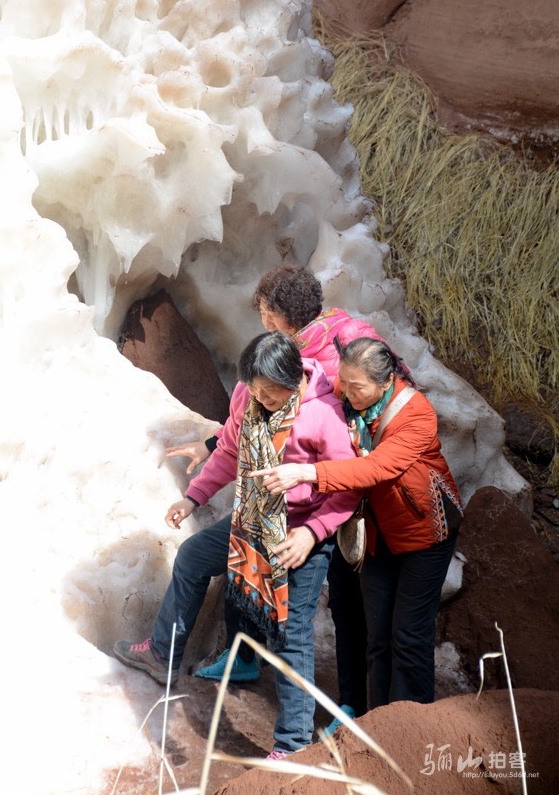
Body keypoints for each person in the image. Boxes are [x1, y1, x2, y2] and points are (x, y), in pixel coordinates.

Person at [113, 332, 359, 757]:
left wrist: (313, 533)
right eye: (254, 389)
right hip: (253, 519)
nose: (259, 399)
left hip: (301, 533)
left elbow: (349, 489)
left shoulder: (325, 416)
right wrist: (193, 498)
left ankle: (293, 742)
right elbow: (230, 451)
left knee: (291, 634)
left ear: (293, 380)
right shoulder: (249, 395)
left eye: (268, 392)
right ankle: (162, 654)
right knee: (192, 557)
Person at [166, 264, 384, 727]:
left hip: (317, 514)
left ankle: (321, 722)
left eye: (269, 313)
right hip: (260, 514)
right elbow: (235, 441)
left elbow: (350, 477)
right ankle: (233, 657)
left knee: (307, 623)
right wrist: (197, 488)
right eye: (254, 391)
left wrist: (313, 532)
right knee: (222, 570)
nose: (264, 321)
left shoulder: (326, 391)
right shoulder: (260, 385)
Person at [252, 337, 463, 709]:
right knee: (378, 635)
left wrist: (306, 472)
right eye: (343, 382)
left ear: (386, 381)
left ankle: (409, 725)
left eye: (357, 387)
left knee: (408, 636)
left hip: (424, 533)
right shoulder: (346, 393)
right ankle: (379, 721)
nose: (346, 393)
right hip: (376, 534)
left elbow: (376, 468)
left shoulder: (416, 413)